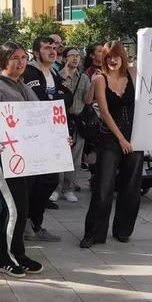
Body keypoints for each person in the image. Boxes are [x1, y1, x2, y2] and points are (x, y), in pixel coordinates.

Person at [0, 42, 44, 277]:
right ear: (3, 59)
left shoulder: (24, 86)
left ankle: (18, 254)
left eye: (24, 57)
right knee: (15, 209)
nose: (21, 62)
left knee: (18, 210)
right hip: (0, 159)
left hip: (26, 158)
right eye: (15, 57)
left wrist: (56, 139)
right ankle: (4, 258)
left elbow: (41, 119)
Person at [80, 41, 143, 249]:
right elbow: (104, 113)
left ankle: (123, 230)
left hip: (135, 137)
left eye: (116, 56)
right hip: (110, 137)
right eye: (108, 57)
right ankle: (93, 233)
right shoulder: (100, 79)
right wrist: (122, 139)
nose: (112, 60)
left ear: (123, 56)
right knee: (104, 187)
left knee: (132, 187)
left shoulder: (133, 74)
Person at [22, 36, 72, 242]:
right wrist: (54, 99)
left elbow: (65, 99)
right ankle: (29, 223)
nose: (52, 51)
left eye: (54, 47)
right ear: (36, 52)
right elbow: (39, 100)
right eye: (46, 48)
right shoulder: (29, 72)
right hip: (32, 136)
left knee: (50, 180)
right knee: (35, 182)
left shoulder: (54, 73)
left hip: (53, 134)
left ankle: (34, 222)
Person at [60, 46, 91, 202]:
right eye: (71, 55)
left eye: (77, 56)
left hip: (78, 120)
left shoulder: (84, 78)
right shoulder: (58, 75)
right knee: (59, 155)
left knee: (75, 158)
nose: (74, 58)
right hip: (61, 120)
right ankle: (56, 188)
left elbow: (88, 100)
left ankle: (69, 188)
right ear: (65, 58)